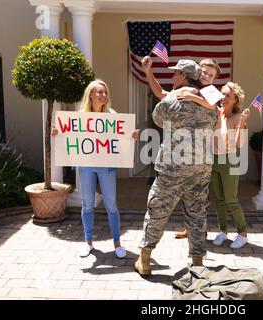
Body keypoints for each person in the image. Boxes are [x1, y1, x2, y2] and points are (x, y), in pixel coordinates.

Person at [134, 60, 217, 276]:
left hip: (173, 169)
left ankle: (145, 259)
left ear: (183, 76)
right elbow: (215, 118)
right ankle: (197, 262)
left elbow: (158, 119)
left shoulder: (172, 100)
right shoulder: (209, 100)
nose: (172, 78)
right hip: (201, 169)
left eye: (175, 74)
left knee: (158, 212)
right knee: (197, 214)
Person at [51, 79, 139, 259]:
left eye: (105, 92)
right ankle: (89, 242)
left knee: (111, 205)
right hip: (86, 167)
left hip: (107, 167)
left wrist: (131, 136)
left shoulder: (112, 115)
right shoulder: (80, 117)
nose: (103, 95)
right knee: (87, 204)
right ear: (90, 94)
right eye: (99, 92)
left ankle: (117, 243)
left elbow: (120, 138)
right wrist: (57, 133)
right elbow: (68, 136)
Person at [211, 82, 250, 249]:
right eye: (223, 94)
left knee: (231, 200)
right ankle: (223, 231)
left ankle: (242, 234)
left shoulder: (238, 117)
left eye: (228, 95)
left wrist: (242, 123)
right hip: (213, 160)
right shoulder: (215, 114)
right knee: (219, 200)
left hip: (229, 160)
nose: (224, 98)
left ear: (235, 100)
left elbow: (239, 144)